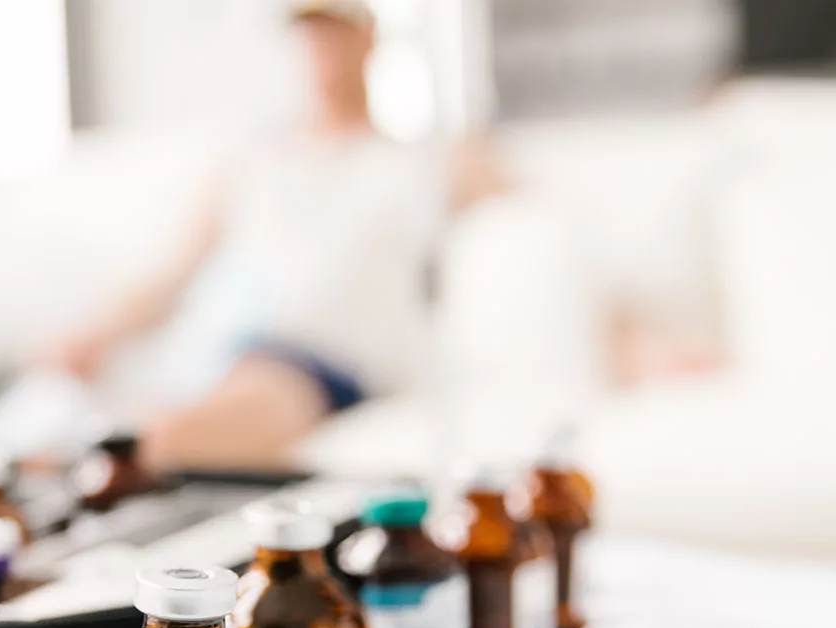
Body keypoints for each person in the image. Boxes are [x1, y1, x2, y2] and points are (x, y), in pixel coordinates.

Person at [42, 0, 507, 471]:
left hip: (333, 368)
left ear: (371, 40)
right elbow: (172, 273)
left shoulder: (425, 161)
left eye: (335, 32)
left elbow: (529, 213)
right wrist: (94, 334)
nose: (322, 48)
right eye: (311, 34)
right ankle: (84, 459)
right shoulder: (253, 161)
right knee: (169, 406)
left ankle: (96, 460)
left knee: (208, 418)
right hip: (238, 352)